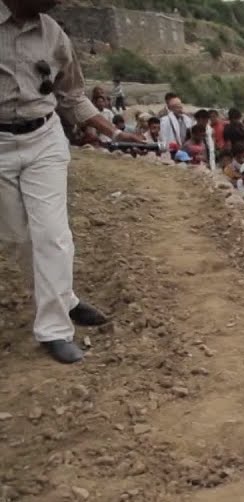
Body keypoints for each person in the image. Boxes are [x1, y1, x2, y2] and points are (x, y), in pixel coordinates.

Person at [0, 0, 149, 363]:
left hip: (44, 140)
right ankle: (64, 298)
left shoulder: (53, 34)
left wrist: (113, 130)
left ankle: (53, 328)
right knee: (19, 238)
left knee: (52, 234)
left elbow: (71, 95)